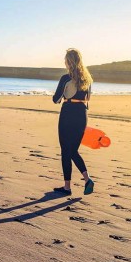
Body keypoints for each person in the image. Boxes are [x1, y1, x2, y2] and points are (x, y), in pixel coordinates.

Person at [52, 48, 95, 196]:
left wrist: (65, 94)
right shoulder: (88, 79)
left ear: (69, 62)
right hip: (82, 114)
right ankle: (86, 180)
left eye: (65, 60)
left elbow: (56, 99)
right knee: (73, 150)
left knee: (66, 150)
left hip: (68, 113)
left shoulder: (65, 78)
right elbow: (88, 99)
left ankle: (68, 187)